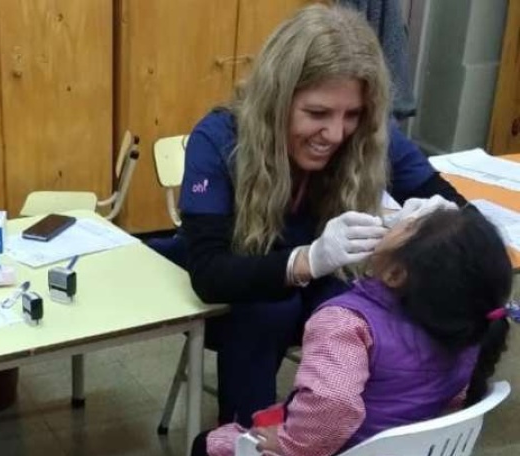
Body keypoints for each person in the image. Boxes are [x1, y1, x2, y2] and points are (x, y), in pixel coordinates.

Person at [191, 206, 514, 456]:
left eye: (409, 224)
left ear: (395, 273)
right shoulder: (468, 332)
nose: (398, 217)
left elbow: (334, 407)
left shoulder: (347, 322)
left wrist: (289, 443)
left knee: (210, 447)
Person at [179, 4, 469, 426]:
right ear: (276, 100)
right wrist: (307, 260)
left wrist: (441, 219)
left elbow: (453, 204)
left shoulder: (369, 134)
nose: (335, 134)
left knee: (352, 308)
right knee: (269, 310)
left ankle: (333, 439)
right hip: (244, 296)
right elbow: (209, 273)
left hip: (318, 298)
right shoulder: (219, 137)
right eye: (317, 114)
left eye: (350, 115)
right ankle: (243, 450)